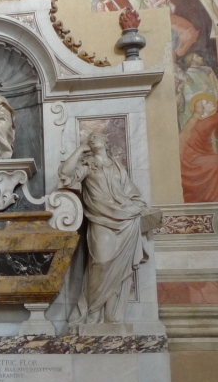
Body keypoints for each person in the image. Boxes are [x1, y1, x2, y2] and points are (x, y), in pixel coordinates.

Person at [59, 132, 150, 325]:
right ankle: (92, 311)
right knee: (100, 263)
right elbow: (65, 173)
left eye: (97, 136)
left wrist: (136, 208)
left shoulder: (117, 166)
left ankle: (110, 315)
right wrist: (80, 150)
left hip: (126, 221)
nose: (93, 138)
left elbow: (132, 194)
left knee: (119, 269)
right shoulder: (88, 164)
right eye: (90, 137)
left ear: (106, 142)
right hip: (100, 219)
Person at [179, 84, 218, 203]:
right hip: (193, 160)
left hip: (192, 157)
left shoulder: (195, 120)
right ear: (202, 109)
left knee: (217, 160)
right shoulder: (206, 122)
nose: (211, 102)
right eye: (207, 103)